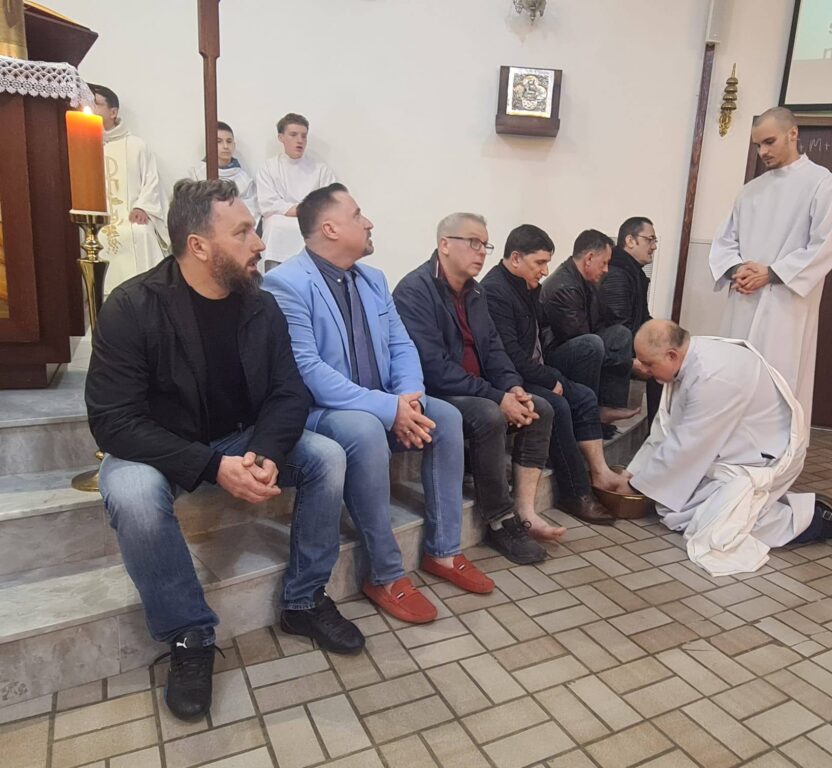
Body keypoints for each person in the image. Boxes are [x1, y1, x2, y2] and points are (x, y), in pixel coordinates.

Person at [85, 179, 363, 722]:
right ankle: (189, 634)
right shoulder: (133, 306)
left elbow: (289, 392)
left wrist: (263, 452)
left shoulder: (261, 305)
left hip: (241, 438)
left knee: (327, 456)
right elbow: (113, 421)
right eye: (242, 232)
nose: (259, 243)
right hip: (158, 446)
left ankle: (304, 600)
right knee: (132, 494)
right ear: (198, 246)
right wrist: (212, 466)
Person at [263, 185, 493, 624]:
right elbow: (308, 370)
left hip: (385, 400)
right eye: (357, 214)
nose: (368, 222)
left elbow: (402, 346)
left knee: (445, 415)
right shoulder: (286, 283)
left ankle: (443, 551)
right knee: (365, 430)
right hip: (324, 411)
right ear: (330, 228)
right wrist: (388, 410)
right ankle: (385, 573)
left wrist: (408, 397)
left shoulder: (373, 279)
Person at [623, 320, 832, 577]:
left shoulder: (712, 375)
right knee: (679, 507)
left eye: (648, 363)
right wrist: (634, 474)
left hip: (766, 457)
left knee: (718, 529)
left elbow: (686, 444)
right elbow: (667, 427)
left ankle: (819, 522)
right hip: (730, 448)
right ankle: (793, 509)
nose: (642, 369)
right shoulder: (691, 360)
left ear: (672, 355)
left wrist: (635, 485)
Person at [393, 213, 556, 561]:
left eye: (485, 244)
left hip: (476, 387)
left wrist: (512, 387)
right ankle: (499, 520)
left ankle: (525, 509)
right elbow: (433, 368)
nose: (481, 251)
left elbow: (494, 349)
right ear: (444, 244)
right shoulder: (414, 290)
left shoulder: (475, 292)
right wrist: (496, 397)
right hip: (436, 392)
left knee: (540, 407)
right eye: (473, 242)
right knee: (488, 414)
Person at [481, 224, 627, 525]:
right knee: (556, 404)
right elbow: (508, 354)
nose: (545, 271)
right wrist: (549, 378)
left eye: (547, 262)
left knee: (584, 396)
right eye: (539, 262)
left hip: (533, 367)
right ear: (516, 258)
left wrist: (553, 374)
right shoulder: (495, 290)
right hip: (508, 377)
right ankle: (575, 492)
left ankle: (600, 473)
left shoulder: (526, 286)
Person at [708, 106, 832, 423]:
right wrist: (737, 270)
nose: (763, 152)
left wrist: (770, 273)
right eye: (758, 145)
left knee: (778, 379)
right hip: (743, 300)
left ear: (792, 134)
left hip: (786, 304)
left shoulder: (821, 183)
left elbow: (827, 245)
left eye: (769, 142)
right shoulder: (751, 190)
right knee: (736, 375)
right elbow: (725, 241)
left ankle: (776, 449)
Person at [540, 229, 640, 428]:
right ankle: (587, 414)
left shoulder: (586, 280)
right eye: (604, 263)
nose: (606, 270)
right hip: (553, 355)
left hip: (578, 341)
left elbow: (601, 323)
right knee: (592, 345)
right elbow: (579, 338)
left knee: (620, 334)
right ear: (589, 258)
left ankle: (609, 406)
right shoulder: (565, 287)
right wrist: (628, 363)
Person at [90, 83, 169, 293]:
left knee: (141, 233)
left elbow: (152, 181)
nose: (90, 108)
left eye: (96, 104)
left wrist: (143, 207)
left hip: (132, 218)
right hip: (99, 222)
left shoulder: (136, 145)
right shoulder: (85, 146)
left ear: (113, 112)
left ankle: (144, 297)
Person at [599, 216, 664, 426]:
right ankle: (655, 434)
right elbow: (619, 325)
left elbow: (643, 319)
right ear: (630, 241)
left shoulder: (633, 272)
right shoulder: (617, 273)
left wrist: (664, 336)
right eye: (650, 240)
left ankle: (658, 432)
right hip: (612, 346)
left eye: (655, 241)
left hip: (626, 339)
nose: (654, 246)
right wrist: (647, 353)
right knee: (662, 366)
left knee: (668, 355)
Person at [256, 113, 337, 269]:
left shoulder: (320, 170)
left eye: (304, 136)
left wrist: (308, 212)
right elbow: (268, 204)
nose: (300, 140)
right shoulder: (269, 167)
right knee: (275, 226)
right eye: (293, 135)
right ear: (281, 137)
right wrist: (302, 210)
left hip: (312, 222)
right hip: (279, 223)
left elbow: (331, 201)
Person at [188, 121, 259, 221]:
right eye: (218, 141)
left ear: (234, 145)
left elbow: (251, 211)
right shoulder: (195, 174)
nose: (225, 146)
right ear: (209, 144)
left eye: (229, 141)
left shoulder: (244, 179)